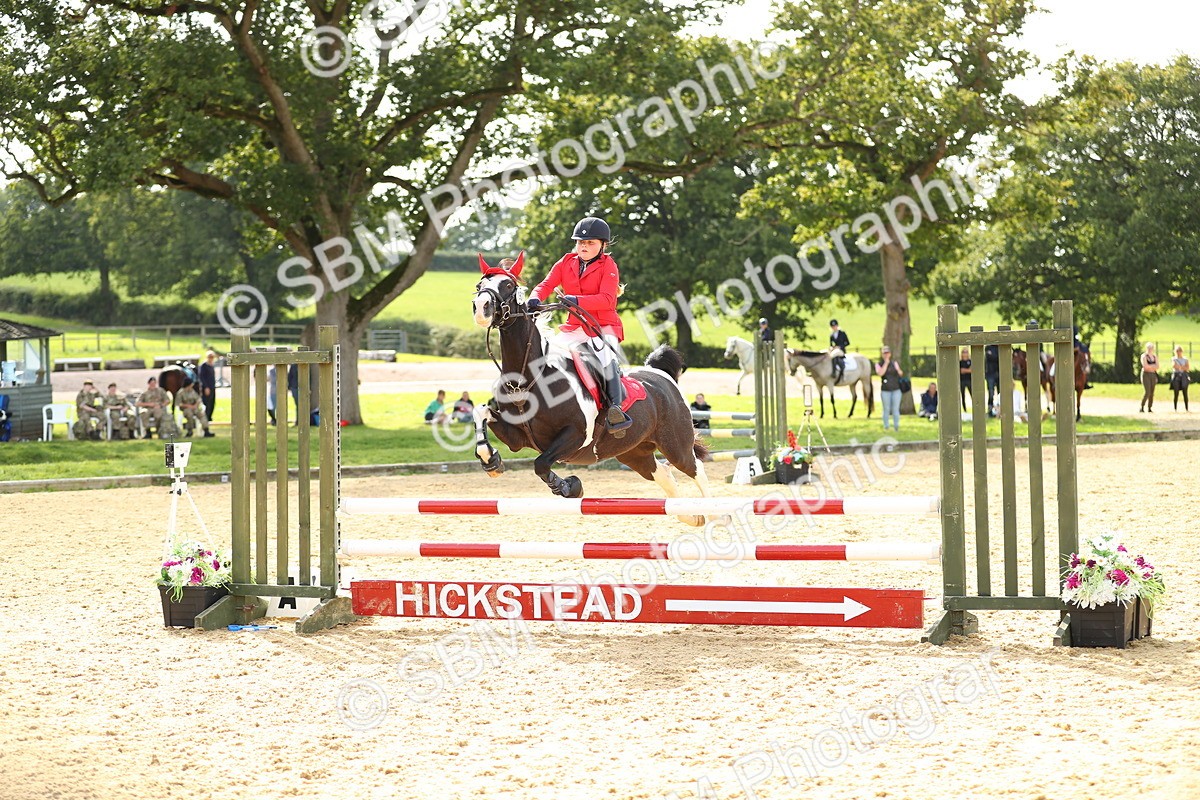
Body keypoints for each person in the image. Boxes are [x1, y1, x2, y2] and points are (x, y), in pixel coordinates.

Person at [527, 216, 632, 436]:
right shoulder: (566, 261)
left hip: (603, 326)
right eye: (580, 242)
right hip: (574, 326)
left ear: (603, 246)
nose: (584, 246)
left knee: (606, 358)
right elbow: (546, 284)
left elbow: (607, 300)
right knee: (546, 353)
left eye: (590, 243)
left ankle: (616, 409)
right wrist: (535, 298)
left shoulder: (609, 265)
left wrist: (575, 300)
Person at [875, 346, 904, 431]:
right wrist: (886, 363)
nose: (886, 355)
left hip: (896, 389)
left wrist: (898, 370)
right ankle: (886, 426)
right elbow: (880, 373)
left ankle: (896, 425)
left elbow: (900, 373)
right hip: (885, 390)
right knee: (886, 409)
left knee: (895, 409)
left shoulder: (894, 363)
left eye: (887, 353)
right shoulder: (879, 364)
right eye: (884, 353)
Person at [198, 351, 218, 422]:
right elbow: (202, 377)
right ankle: (205, 417)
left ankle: (209, 417)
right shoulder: (203, 365)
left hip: (212, 386)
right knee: (207, 402)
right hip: (206, 387)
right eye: (210, 357)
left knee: (212, 403)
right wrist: (206, 387)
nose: (211, 358)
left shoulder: (211, 365)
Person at [1139, 343, 1159, 412]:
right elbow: (1145, 366)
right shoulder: (1144, 356)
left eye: (1151, 348)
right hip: (1146, 375)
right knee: (1147, 391)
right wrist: (1153, 366)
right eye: (1149, 348)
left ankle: (1149, 407)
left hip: (1153, 375)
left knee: (1152, 392)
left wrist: (1151, 367)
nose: (1150, 349)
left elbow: (1157, 366)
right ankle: (1142, 406)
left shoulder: (1155, 356)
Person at [829, 319, 849, 383]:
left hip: (841, 351)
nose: (834, 327)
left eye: (835, 326)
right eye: (832, 326)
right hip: (834, 351)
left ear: (837, 326)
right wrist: (831, 347)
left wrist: (839, 346)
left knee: (834, 355)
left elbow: (847, 343)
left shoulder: (842, 333)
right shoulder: (831, 335)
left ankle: (835, 372)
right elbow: (831, 344)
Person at [1171, 345, 1190, 411]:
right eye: (1177, 351)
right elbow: (1174, 366)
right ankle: (1175, 408)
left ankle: (1186, 408)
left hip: (1184, 376)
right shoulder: (1174, 359)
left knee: (1185, 392)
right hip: (1176, 376)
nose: (1178, 352)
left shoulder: (1185, 359)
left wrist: (1180, 367)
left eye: (1180, 351)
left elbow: (1187, 368)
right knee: (1176, 392)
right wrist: (1182, 367)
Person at [984, 344, 1000, 417]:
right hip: (990, 374)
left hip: (999, 373)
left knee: (1000, 394)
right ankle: (990, 410)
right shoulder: (988, 347)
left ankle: (999, 410)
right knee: (991, 393)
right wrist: (997, 356)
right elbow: (991, 357)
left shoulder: (999, 347)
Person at [959, 347, 972, 411]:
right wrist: (968, 370)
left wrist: (965, 370)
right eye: (963, 352)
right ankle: (964, 410)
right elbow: (960, 371)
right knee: (963, 395)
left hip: (969, 380)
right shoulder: (960, 362)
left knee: (972, 394)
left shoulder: (970, 361)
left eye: (966, 352)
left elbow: (972, 370)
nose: (965, 354)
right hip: (962, 381)